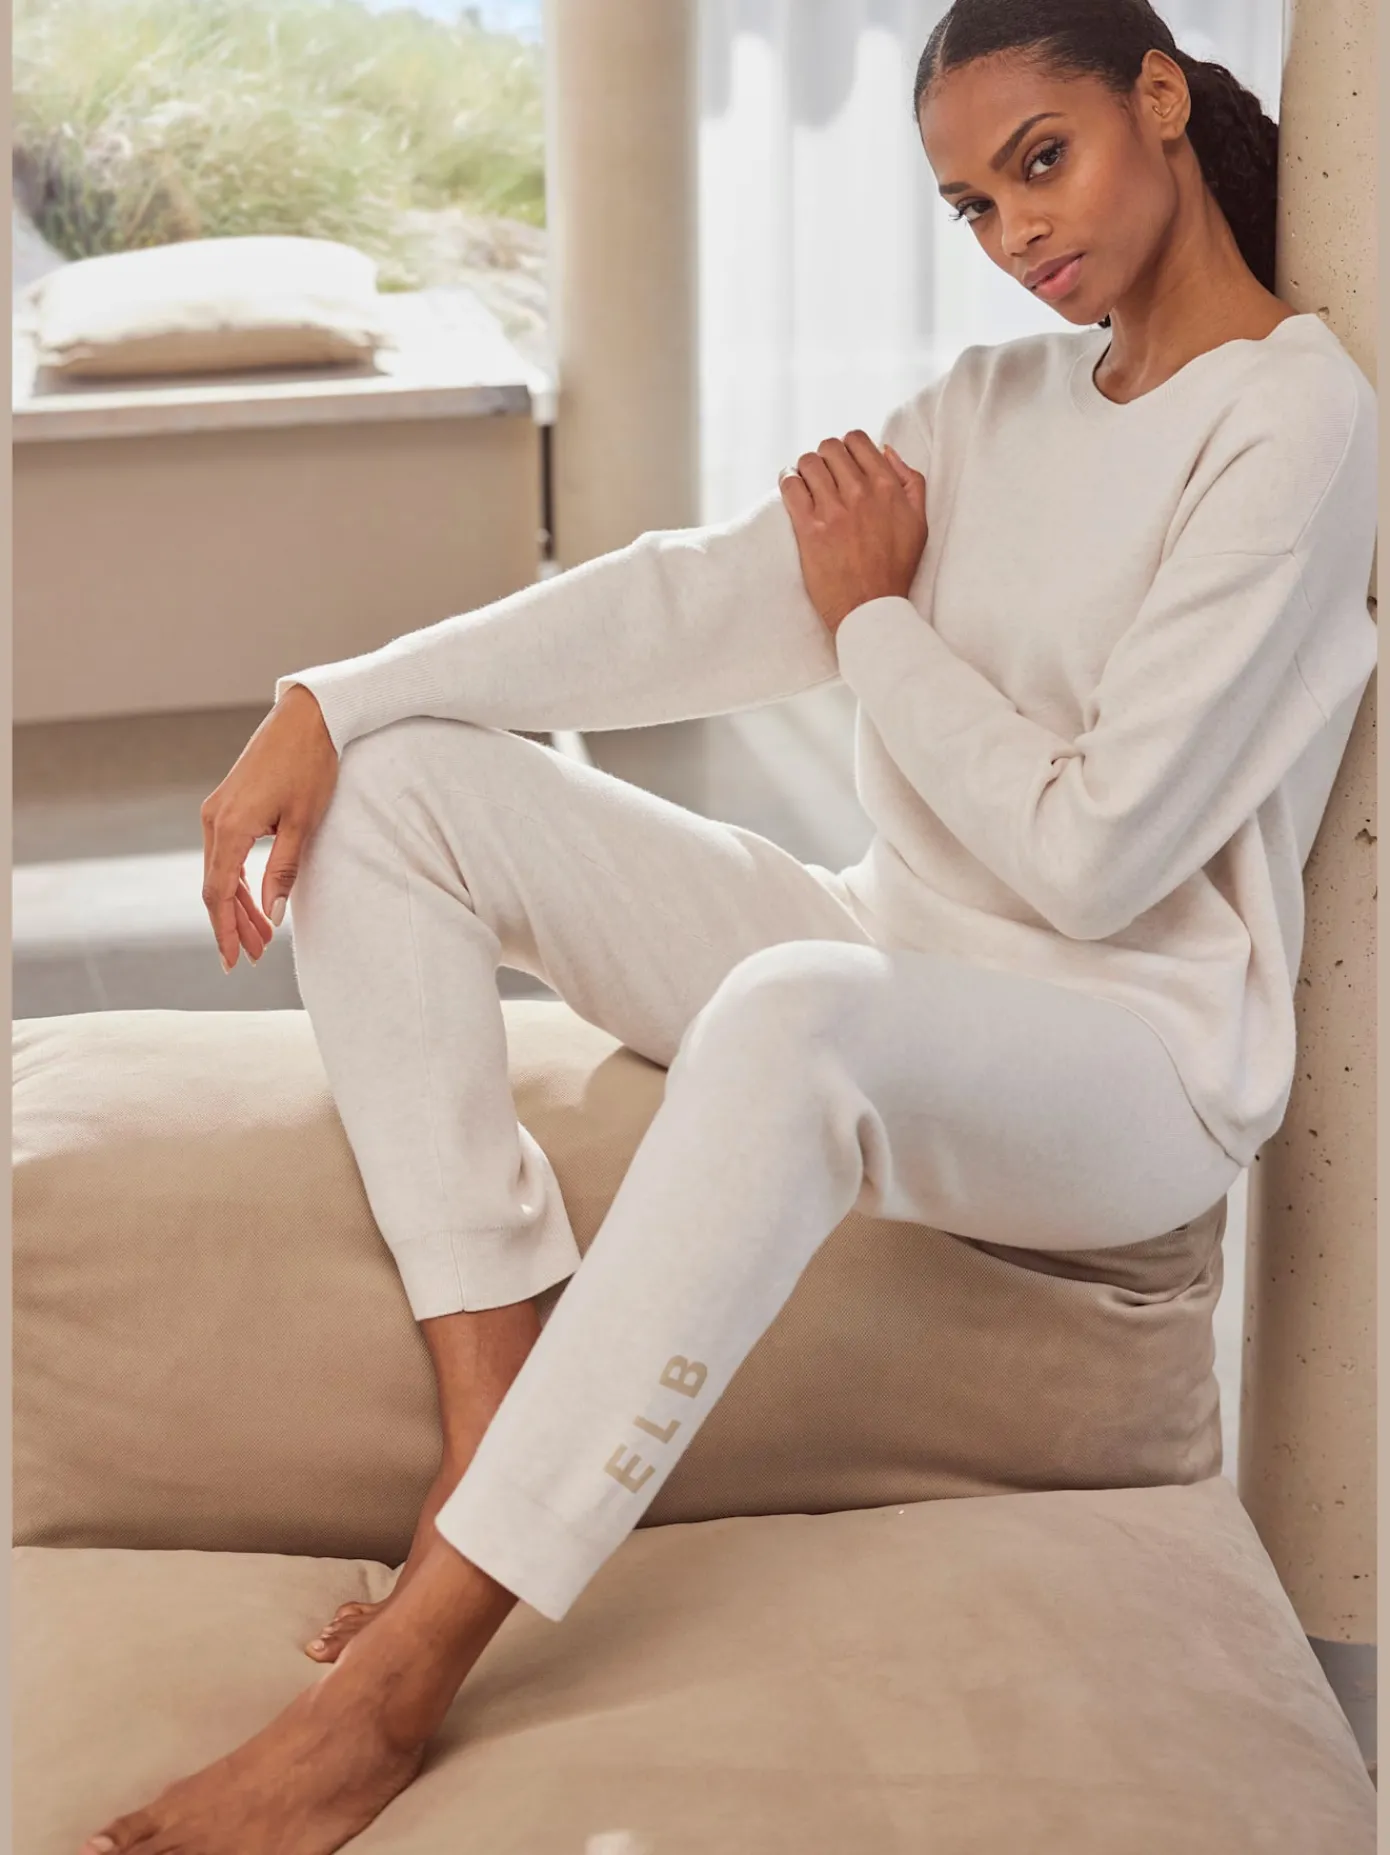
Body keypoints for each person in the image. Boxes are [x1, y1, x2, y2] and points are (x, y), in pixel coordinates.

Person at [80, 2, 1377, 1850]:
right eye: (970, 203)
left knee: (793, 1008)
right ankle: (494, 1403)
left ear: (1156, 99)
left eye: (1041, 160)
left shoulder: (1294, 421)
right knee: (397, 780)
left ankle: (401, 1678)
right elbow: (687, 599)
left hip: (1129, 1058)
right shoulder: (991, 406)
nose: (1015, 230)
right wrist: (332, 697)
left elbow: (1096, 860)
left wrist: (874, 622)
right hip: (897, 948)